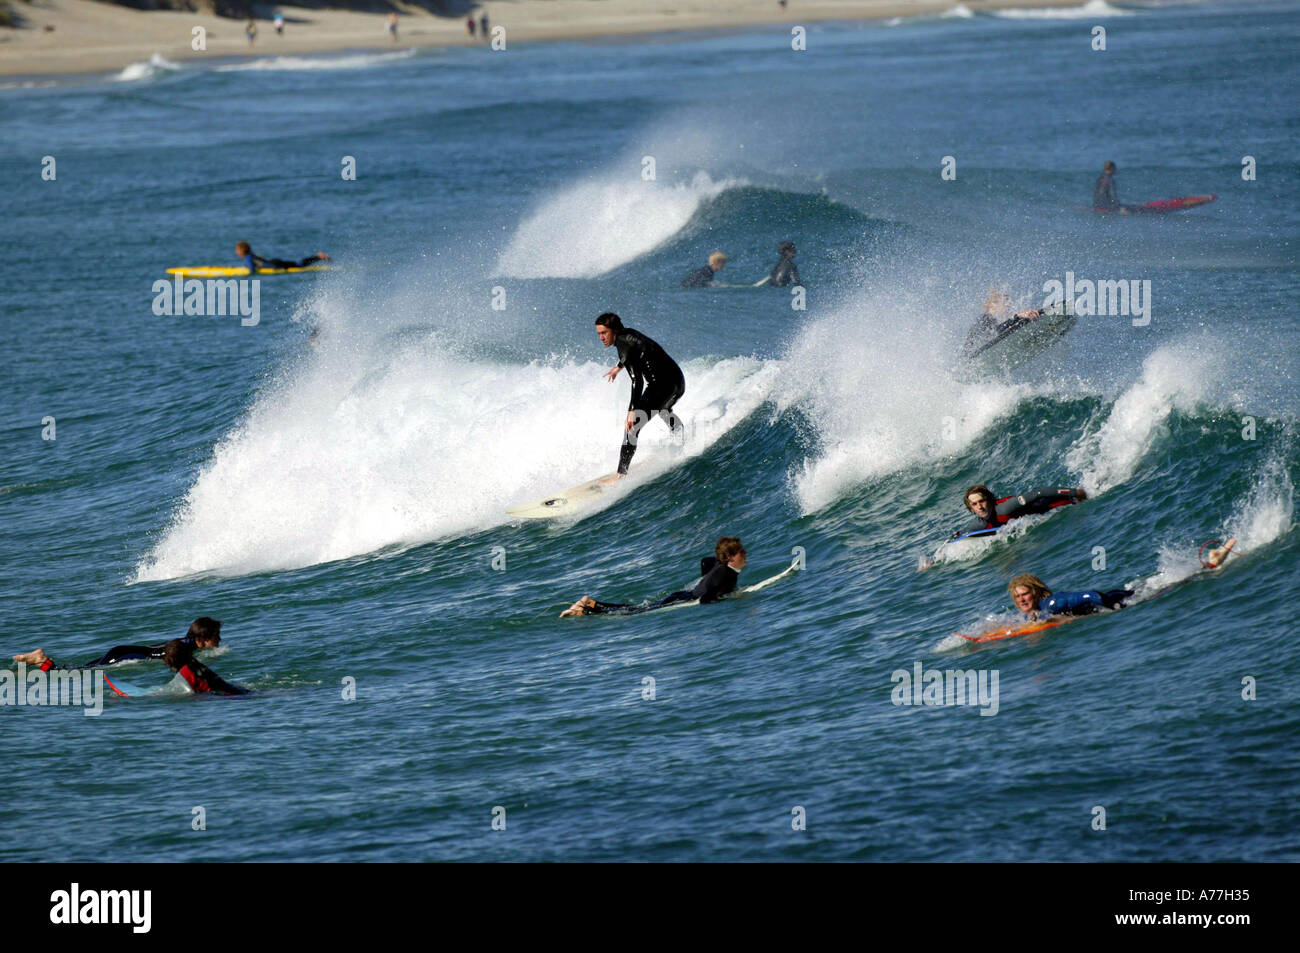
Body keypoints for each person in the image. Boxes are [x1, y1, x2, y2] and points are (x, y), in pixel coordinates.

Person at [595, 313, 686, 479]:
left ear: (614, 331)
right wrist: (619, 367)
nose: (601, 337)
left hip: (661, 386)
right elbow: (636, 351)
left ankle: (620, 475)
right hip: (678, 381)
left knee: (631, 428)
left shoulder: (622, 345)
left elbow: (637, 381)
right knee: (663, 409)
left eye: (604, 333)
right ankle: (680, 438)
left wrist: (632, 411)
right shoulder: (629, 334)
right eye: (599, 334)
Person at [561, 538, 747, 617]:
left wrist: (705, 579)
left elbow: (705, 561)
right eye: (741, 552)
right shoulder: (728, 574)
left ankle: (590, 605)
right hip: (686, 598)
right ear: (730, 558)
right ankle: (589, 606)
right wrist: (722, 601)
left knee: (639, 608)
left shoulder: (719, 565)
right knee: (635, 613)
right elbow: (707, 598)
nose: (745, 554)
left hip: (681, 593)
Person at [13, 617, 223, 669]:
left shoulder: (185, 642)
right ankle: (42, 660)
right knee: (80, 673)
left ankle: (36, 663)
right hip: (125, 655)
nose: (219, 639)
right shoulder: (186, 648)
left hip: (122, 650)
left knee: (82, 669)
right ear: (202, 639)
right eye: (216, 636)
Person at [951, 483, 1086, 540]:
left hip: (1054, 505)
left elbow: (1038, 493)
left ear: (989, 500)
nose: (980, 507)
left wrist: (1074, 492)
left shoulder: (1005, 508)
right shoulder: (979, 524)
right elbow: (963, 534)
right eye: (974, 504)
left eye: (982, 501)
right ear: (971, 508)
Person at [1008, 573, 1134, 623]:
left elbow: (1090, 595)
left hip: (1119, 598)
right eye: (1017, 596)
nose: (1021, 600)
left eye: (1024, 594)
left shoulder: (1053, 603)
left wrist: (1116, 608)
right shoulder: (1032, 613)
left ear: (1036, 592)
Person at [963, 289, 1044, 355]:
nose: (1009, 306)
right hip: (972, 358)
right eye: (1005, 302)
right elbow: (995, 333)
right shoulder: (986, 318)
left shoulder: (983, 321)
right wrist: (1018, 317)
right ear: (993, 304)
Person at [234, 241, 330, 273]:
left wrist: (246, 273)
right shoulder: (251, 255)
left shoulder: (247, 258)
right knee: (297, 263)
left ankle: (318, 257)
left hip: (275, 265)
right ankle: (318, 257)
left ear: (242, 251)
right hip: (274, 262)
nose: (236, 252)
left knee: (299, 265)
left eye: (237, 250)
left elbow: (252, 270)